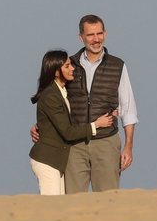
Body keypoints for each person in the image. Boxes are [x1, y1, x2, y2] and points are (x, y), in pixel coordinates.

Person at [31, 14, 138, 193]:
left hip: (106, 143)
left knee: (108, 200)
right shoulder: (69, 65)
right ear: (81, 37)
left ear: (105, 33)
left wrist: (128, 147)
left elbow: (128, 109)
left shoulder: (117, 65)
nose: (96, 39)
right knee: (73, 200)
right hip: (74, 146)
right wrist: (40, 125)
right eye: (90, 35)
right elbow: (55, 100)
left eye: (100, 33)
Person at [29, 49, 113, 195]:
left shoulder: (62, 90)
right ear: (56, 72)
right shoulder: (51, 95)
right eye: (67, 66)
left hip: (57, 161)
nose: (72, 68)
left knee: (60, 205)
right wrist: (97, 124)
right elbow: (67, 132)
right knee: (52, 206)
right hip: (47, 160)